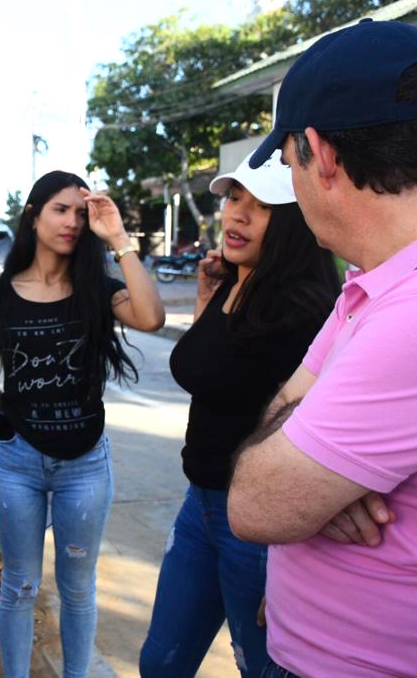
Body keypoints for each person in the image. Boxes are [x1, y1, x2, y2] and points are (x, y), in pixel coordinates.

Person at [226, 20, 417, 677]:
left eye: (287, 164)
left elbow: (255, 502)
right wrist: (316, 481)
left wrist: (307, 482)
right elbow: (285, 412)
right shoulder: (383, 275)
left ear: (321, 153)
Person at [138, 150, 339, 678]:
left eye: (262, 206)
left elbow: (314, 440)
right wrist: (208, 298)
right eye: (233, 198)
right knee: (161, 663)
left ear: (296, 222)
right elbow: (211, 373)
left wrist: (294, 569)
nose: (236, 215)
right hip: (199, 507)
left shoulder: (302, 310)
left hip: (258, 525)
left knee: (262, 669)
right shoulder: (231, 284)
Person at [0, 171, 165, 678]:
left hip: (85, 466)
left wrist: (119, 239)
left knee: (78, 586)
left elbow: (151, 317)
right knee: (20, 585)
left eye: (81, 213)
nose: (73, 222)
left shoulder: (97, 290)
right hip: (20, 466)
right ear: (34, 216)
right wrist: (22, 425)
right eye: (61, 209)